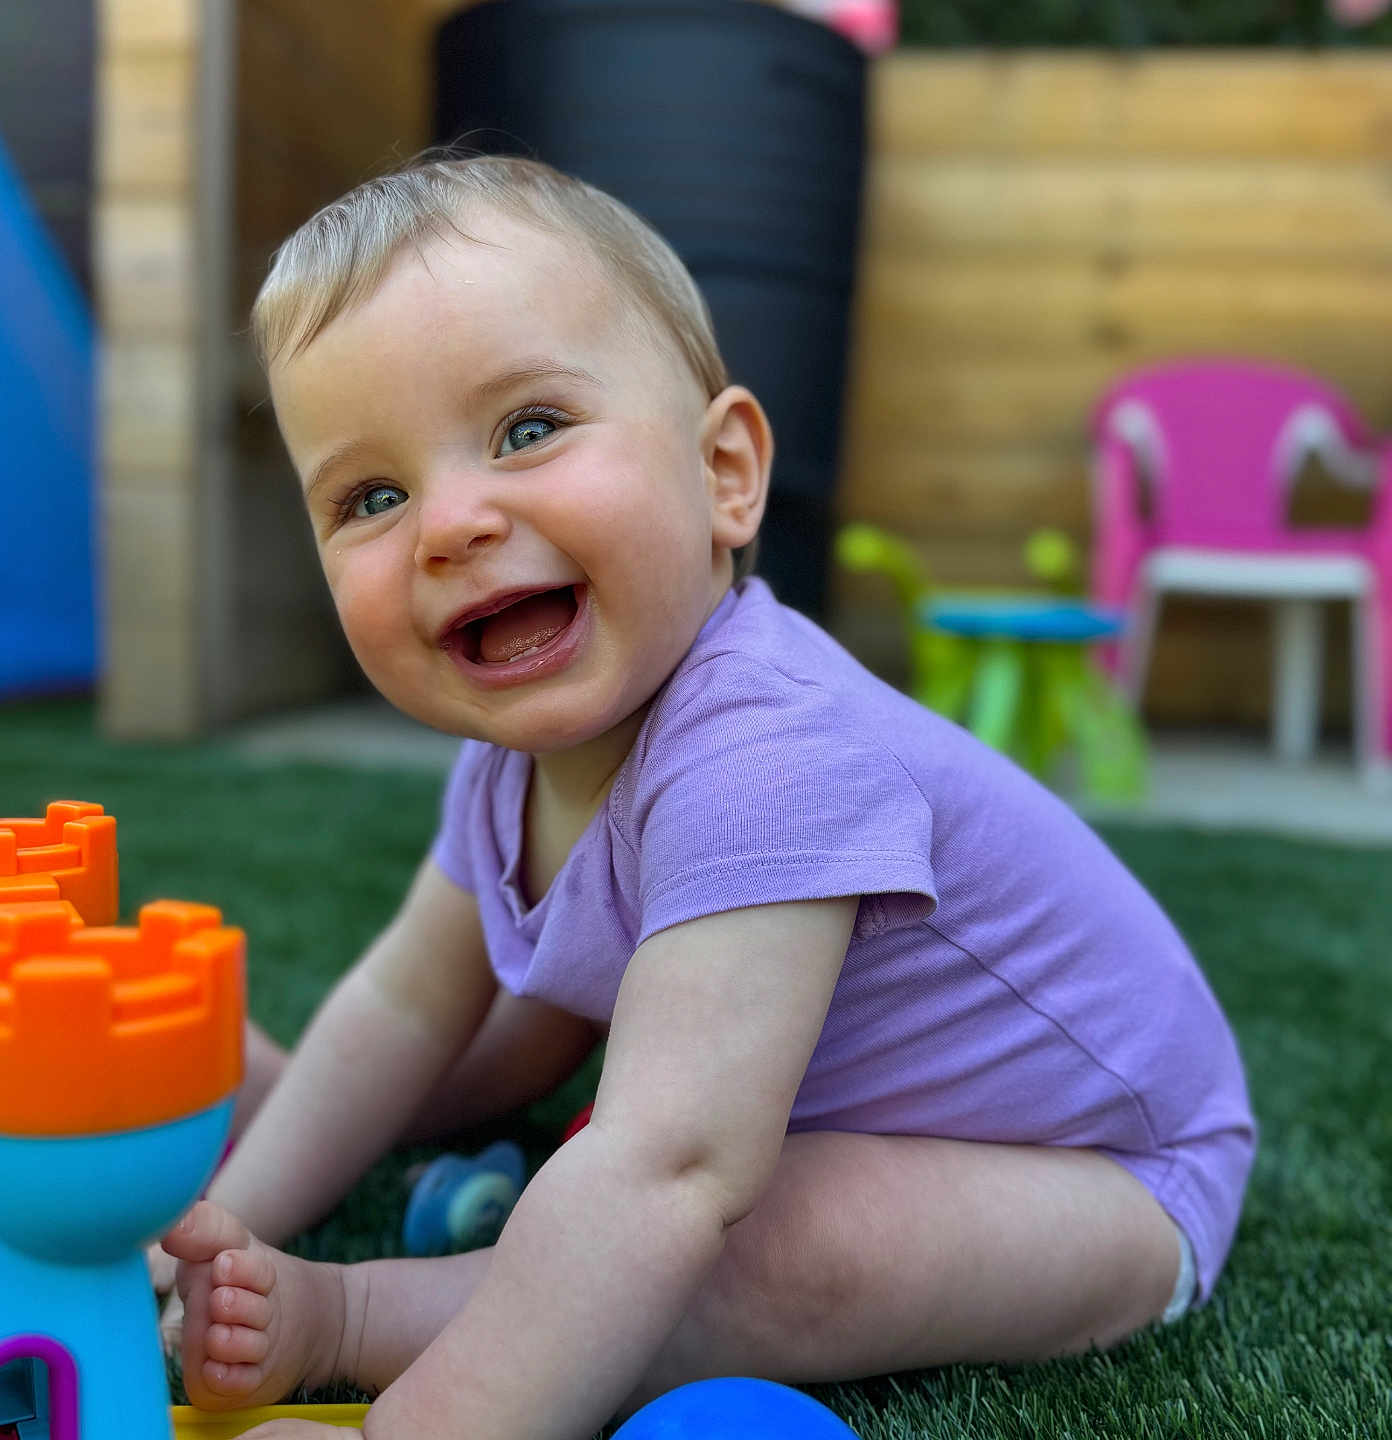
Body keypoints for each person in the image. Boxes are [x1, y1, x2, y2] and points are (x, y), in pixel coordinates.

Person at [159, 152, 1256, 1440]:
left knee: (751, 1244)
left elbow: (666, 1170)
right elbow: (404, 1005)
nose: (448, 524)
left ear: (724, 473)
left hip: (1102, 1172)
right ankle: (294, 1202)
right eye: (373, 496)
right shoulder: (505, 763)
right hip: (802, 1111)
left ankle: (356, 1320)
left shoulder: (769, 754)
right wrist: (228, 1221)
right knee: (535, 1069)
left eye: (528, 429)